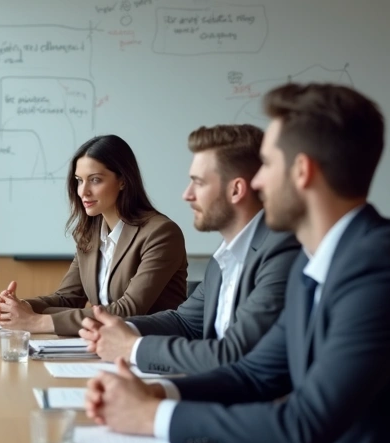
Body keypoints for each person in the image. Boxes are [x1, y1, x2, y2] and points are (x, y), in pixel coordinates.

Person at [85, 83, 390, 443]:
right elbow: (256, 372)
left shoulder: (379, 272)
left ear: (303, 172)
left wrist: (152, 417)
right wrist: (156, 392)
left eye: (268, 165)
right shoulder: (322, 261)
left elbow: (304, 423)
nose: (257, 183)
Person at [79, 125, 300, 373]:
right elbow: (184, 322)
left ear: (236, 190)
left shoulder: (281, 252)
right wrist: (120, 329)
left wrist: (132, 348)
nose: (187, 195)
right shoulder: (225, 256)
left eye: (198, 182)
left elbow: (235, 354)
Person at [0, 134, 187, 336]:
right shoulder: (90, 234)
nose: (83, 191)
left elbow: (128, 311)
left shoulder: (161, 233)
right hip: (102, 346)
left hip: (150, 351)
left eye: (95, 180)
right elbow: (67, 298)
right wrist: (20, 307)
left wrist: (38, 322)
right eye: (79, 181)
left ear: (122, 180)